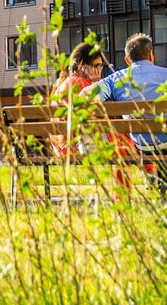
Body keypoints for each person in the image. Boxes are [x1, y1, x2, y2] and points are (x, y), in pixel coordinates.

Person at [84, 33, 167, 194]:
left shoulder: (115, 79)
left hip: (141, 146)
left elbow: (86, 96)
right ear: (151, 54)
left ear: (127, 60)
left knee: (161, 149)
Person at [50, 42, 136, 192]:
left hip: (62, 147)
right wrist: (96, 84)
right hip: (78, 147)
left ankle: (123, 195)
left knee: (123, 144)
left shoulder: (64, 84)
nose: (99, 70)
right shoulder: (82, 84)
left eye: (100, 66)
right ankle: (124, 196)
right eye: (96, 66)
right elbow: (98, 120)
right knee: (127, 147)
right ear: (82, 65)